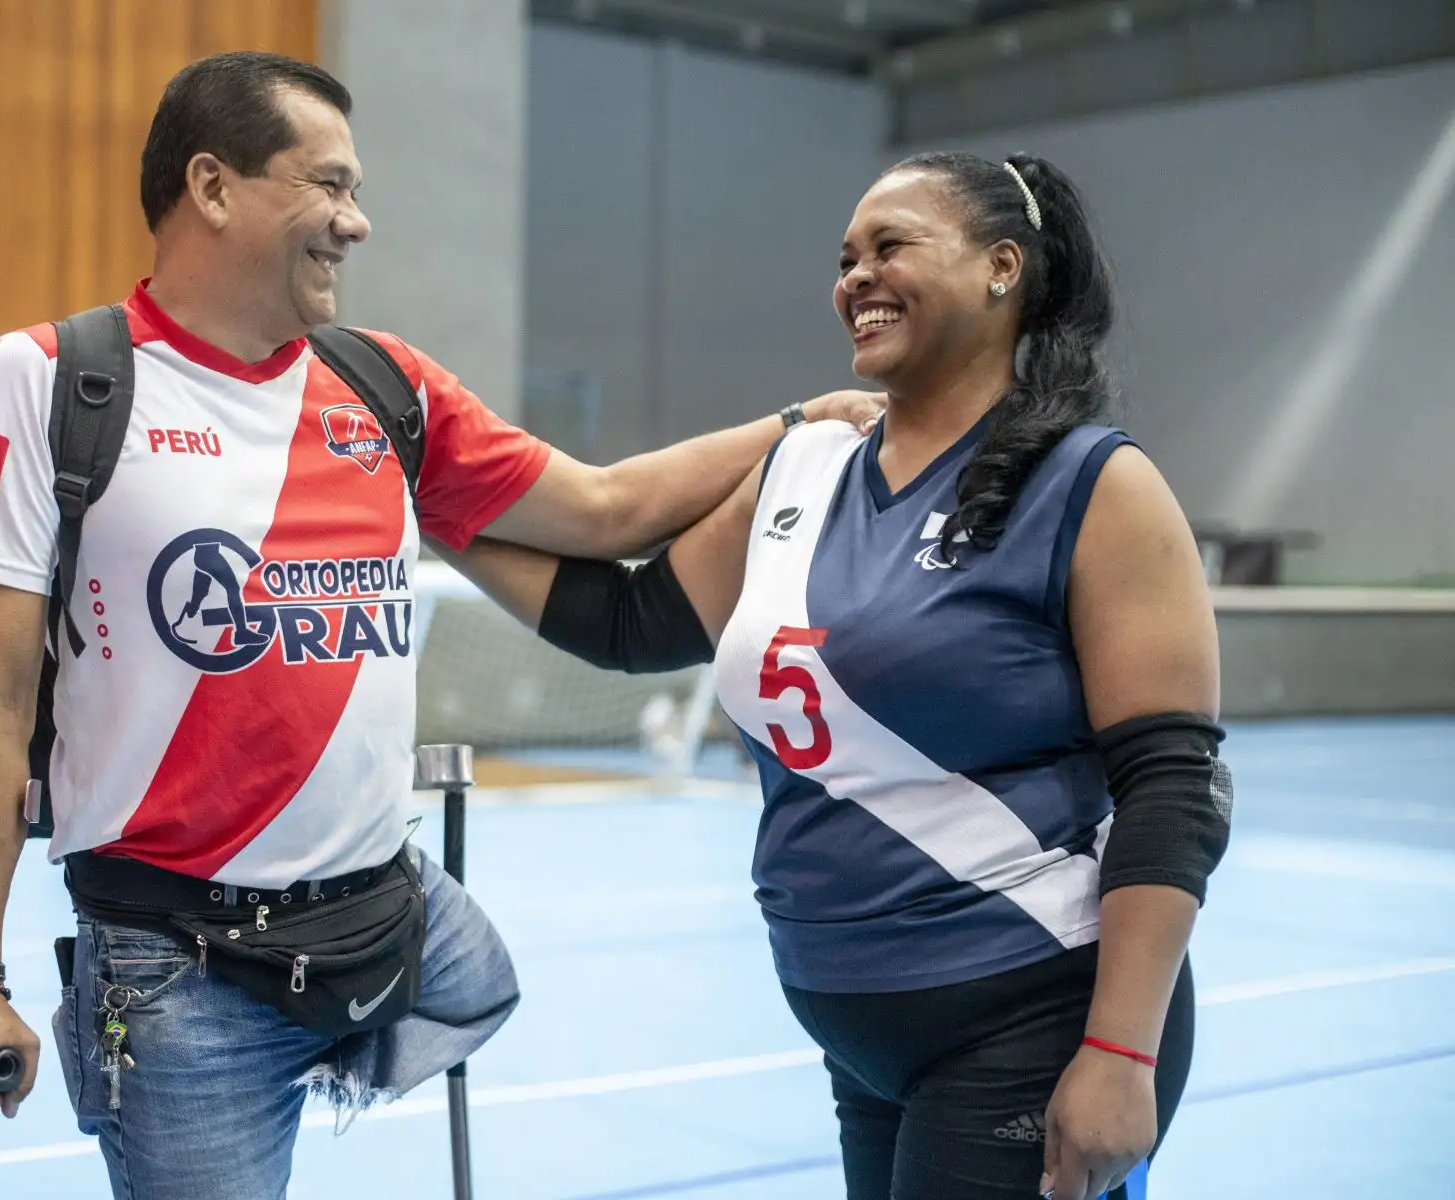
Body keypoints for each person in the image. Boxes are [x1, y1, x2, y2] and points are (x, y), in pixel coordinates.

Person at [0, 50, 884, 1200]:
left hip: (383, 911)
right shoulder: (51, 381)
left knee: (482, 982)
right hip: (178, 973)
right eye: (328, 185)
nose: (356, 221)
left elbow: (607, 508)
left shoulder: (387, 387)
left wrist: (801, 425)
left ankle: (309, 1057)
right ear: (212, 187)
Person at [445, 152, 1231, 1200]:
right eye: (846, 258)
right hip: (860, 1036)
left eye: (890, 246)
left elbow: (1175, 787)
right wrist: (428, 506)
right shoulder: (803, 468)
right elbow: (629, 621)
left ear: (1002, 268)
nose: (856, 277)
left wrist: (1123, 1053)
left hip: (1030, 1015)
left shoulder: (1094, 485)